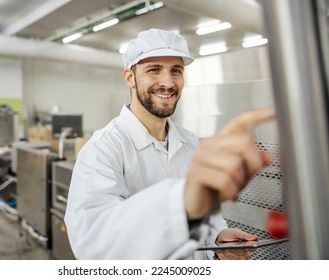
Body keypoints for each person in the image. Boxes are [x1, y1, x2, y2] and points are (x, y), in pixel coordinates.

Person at [64, 28, 275, 260]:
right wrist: (180, 203)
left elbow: (205, 217)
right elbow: (93, 244)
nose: (167, 82)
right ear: (129, 77)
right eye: (154, 70)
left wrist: (216, 239)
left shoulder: (190, 142)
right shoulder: (102, 150)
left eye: (176, 71)